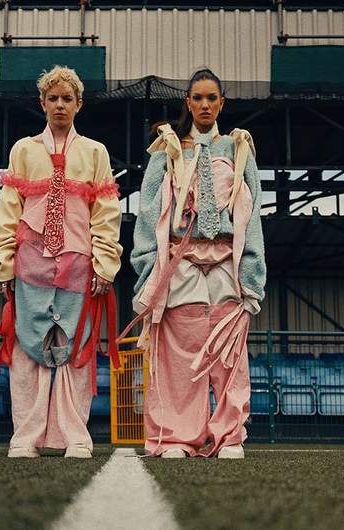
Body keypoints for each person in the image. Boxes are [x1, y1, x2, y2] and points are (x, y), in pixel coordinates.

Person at [125, 68, 265, 459]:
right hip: (179, 261)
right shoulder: (166, 149)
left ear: (222, 103)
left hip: (226, 263)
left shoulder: (238, 149)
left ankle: (229, 436)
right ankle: (175, 438)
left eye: (211, 98)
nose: (205, 105)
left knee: (229, 352)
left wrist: (252, 276)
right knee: (176, 356)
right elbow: (148, 212)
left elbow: (252, 214)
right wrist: (148, 269)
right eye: (198, 98)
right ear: (188, 102)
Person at [0, 66, 122, 459]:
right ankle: (24, 438)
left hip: (78, 266)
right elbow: (8, 209)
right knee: (27, 352)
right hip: (31, 265)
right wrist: (2, 261)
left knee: (76, 351)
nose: (60, 105)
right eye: (53, 98)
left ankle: (74, 436)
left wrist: (105, 263)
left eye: (67, 99)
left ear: (79, 104)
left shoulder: (95, 152)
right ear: (42, 103)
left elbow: (106, 213)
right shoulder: (24, 150)